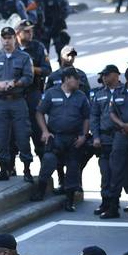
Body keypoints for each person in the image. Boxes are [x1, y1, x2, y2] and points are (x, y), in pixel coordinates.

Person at [35, 68, 91, 209]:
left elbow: (86, 118)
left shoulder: (81, 96)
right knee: (48, 161)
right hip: (56, 136)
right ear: (67, 79)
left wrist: (84, 135)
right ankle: (40, 191)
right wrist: (45, 131)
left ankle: (69, 201)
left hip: (73, 138)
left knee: (73, 168)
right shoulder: (51, 93)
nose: (79, 82)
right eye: (76, 79)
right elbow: (40, 113)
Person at [0, 27, 34, 182]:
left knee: (22, 135)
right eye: (4, 38)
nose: (7, 41)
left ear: (15, 38)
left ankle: (27, 169)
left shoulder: (24, 57)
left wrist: (15, 83)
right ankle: (4, 170)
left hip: (18, 101)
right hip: (1, 102)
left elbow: (28, 77)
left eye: (10, 37)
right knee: (0, 135)